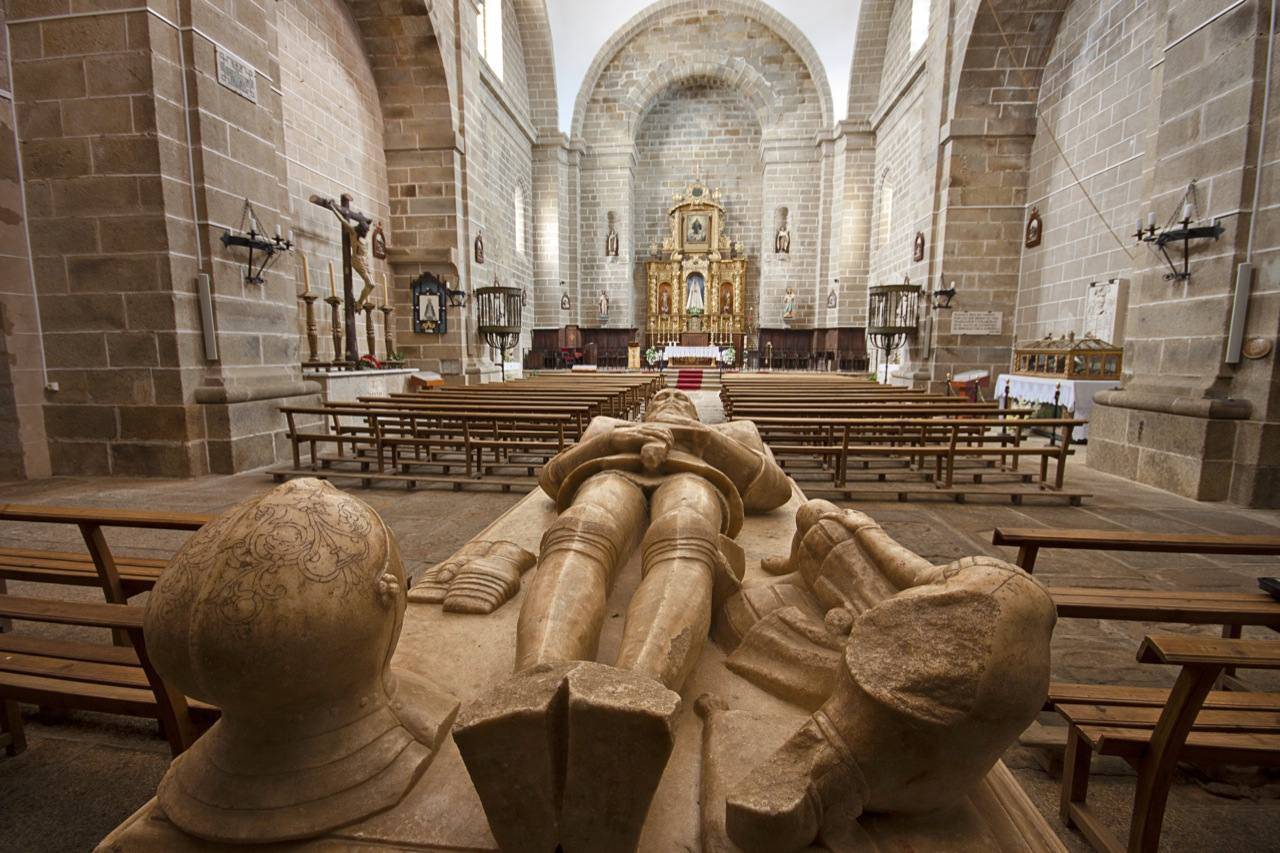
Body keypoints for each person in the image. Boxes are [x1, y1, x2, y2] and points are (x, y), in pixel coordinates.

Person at [454, 390, 792, 853]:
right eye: (663, 396)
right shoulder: (608, 425)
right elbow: (552, 479)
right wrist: (611, 442)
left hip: (698, 480)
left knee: (686, 533)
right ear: (647, 408)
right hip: (610, 475)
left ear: (695, 409)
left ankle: (637, 701)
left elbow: (775, 490)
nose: (670, 398)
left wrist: (704, 441)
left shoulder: (731, 430)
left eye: (680, 398)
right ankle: (534, 689)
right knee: (580, 529)